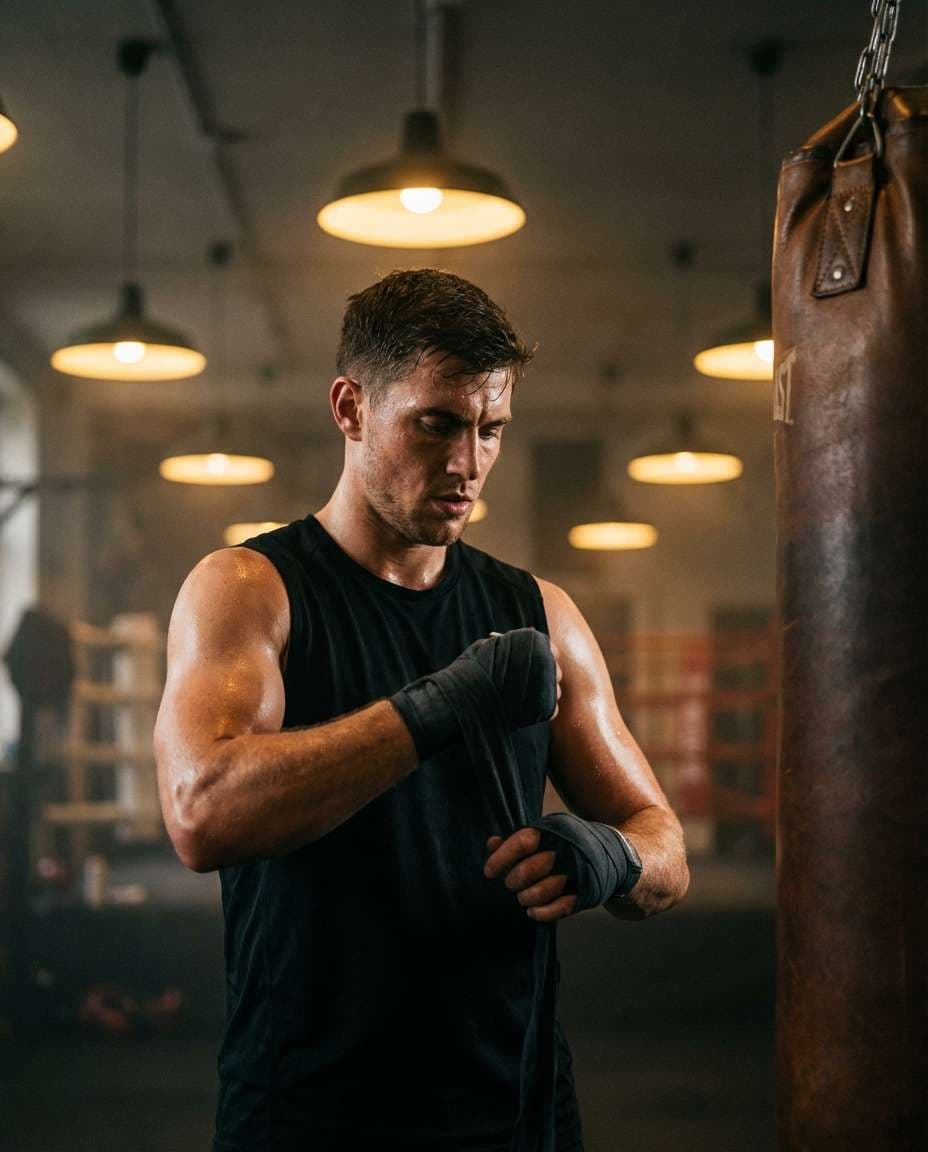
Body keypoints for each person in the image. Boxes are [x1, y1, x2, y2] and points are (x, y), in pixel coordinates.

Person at [154, 268, 690, 1152]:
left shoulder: (541, 612)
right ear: (350, 407)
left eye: (490, 430)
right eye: (435, 423)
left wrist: (610, 854)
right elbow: (201, 812)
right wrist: (438, 707)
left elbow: (664, 846)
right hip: (308, 1114)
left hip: (517, 1109)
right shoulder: (251, 589)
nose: (466, 462)